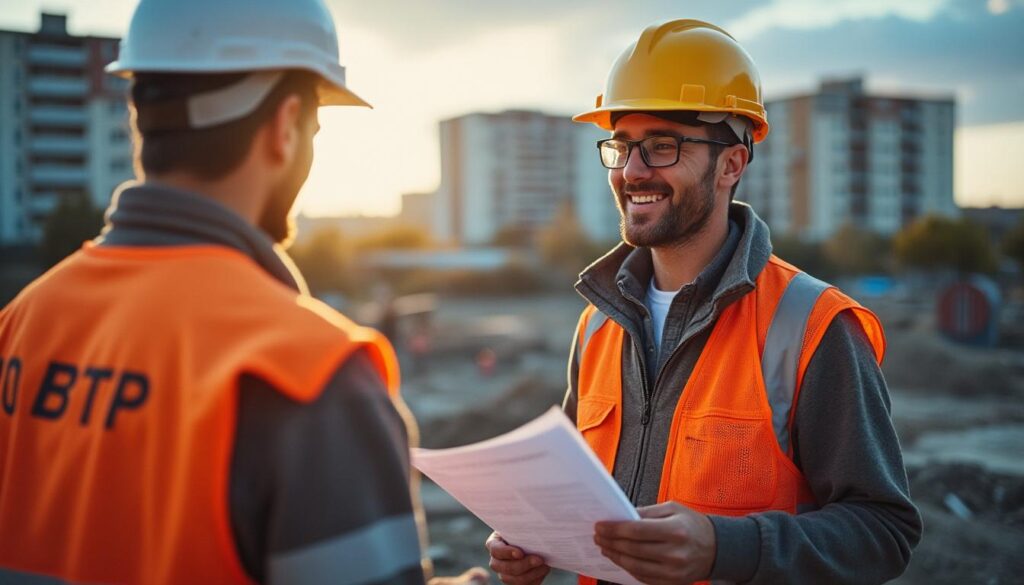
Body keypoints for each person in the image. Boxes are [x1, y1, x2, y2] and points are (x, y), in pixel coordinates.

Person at [0, 1, 484, 583]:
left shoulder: (21, 322)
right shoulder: (309, 374)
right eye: (315, 127)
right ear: (285, 127)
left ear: (140, 121)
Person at [486, 19, 921, 585]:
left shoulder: (811, 327)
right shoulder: (599, 325)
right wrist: (532, 539)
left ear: (732, 164)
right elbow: (574, 496)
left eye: (662, 146)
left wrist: (726, 547)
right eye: (621, 146)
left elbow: (883, 533)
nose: (632, 170)